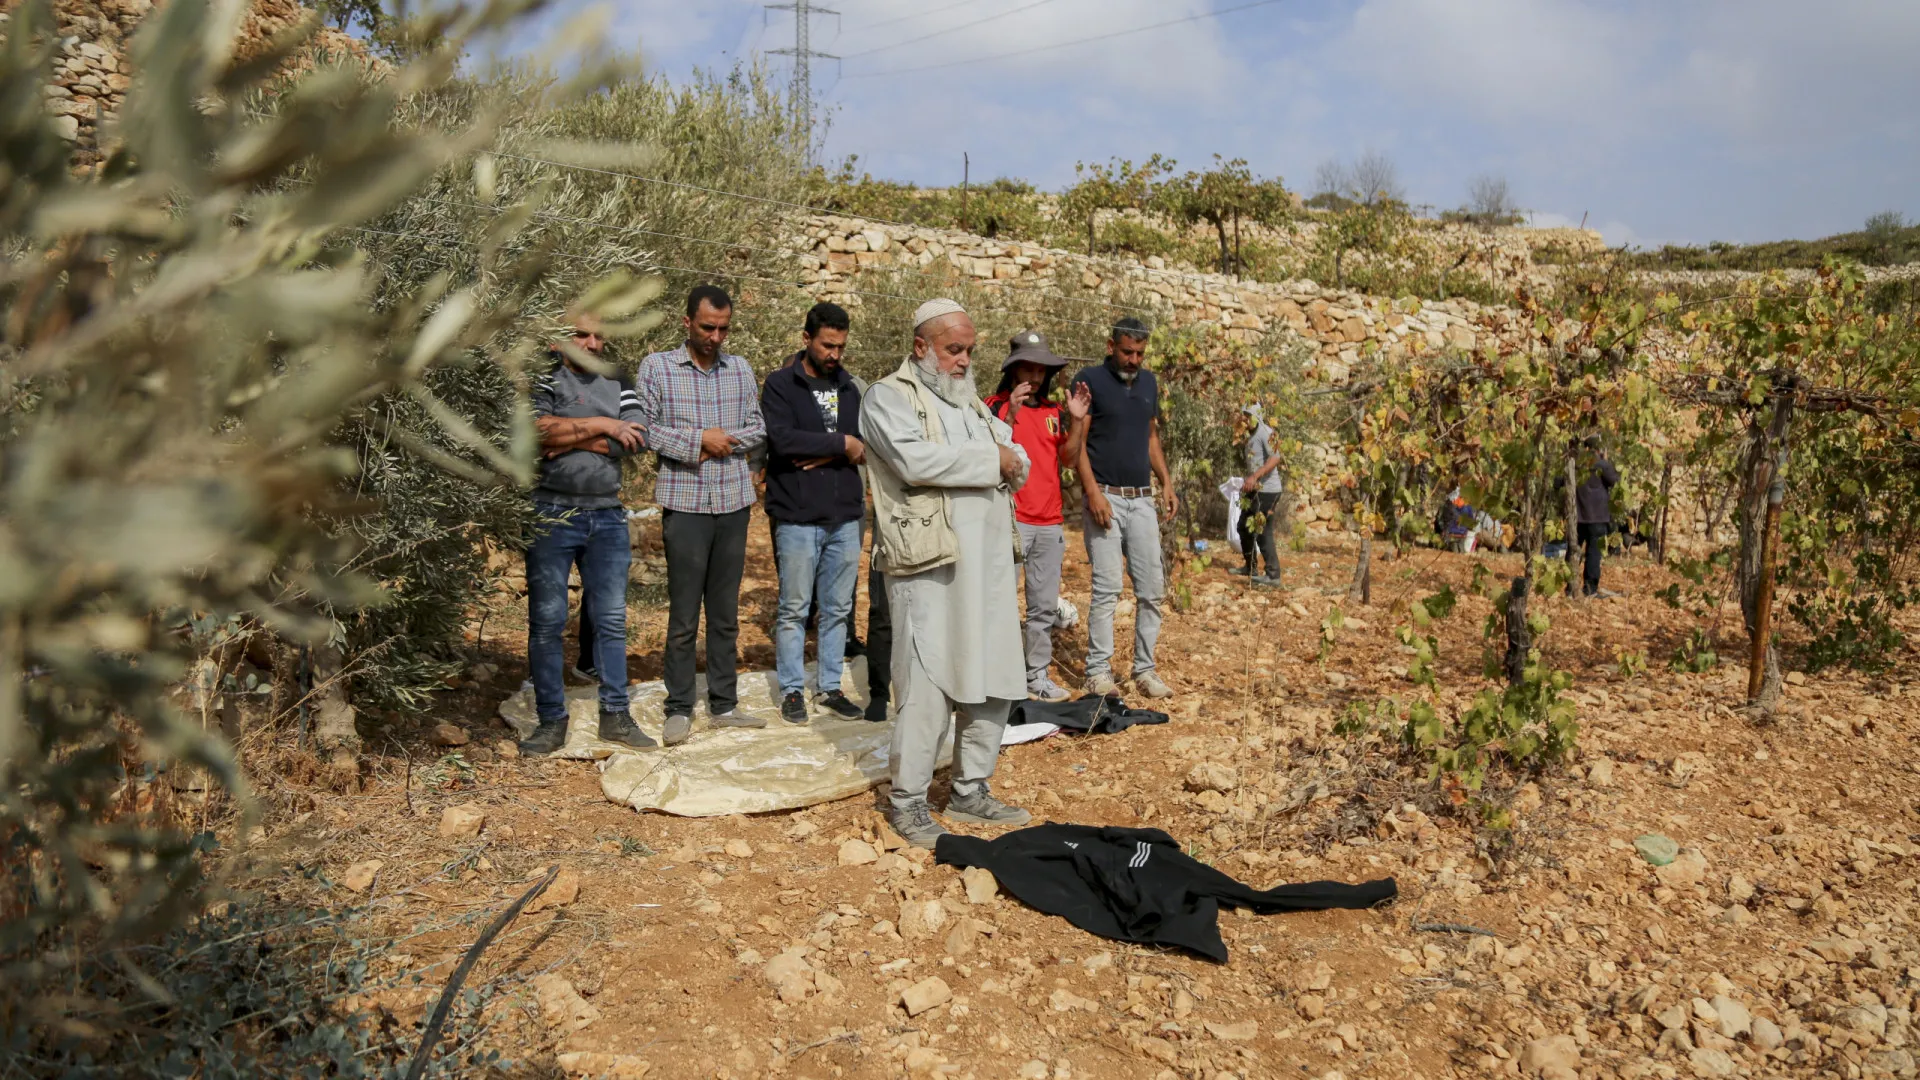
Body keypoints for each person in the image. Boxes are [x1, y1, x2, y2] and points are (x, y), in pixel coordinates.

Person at [863, 298, 1032, 848]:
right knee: (927, 675)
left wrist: (1007, 458)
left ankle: (971, 788)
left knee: (993, 671)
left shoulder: (970, 405)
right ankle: (909, 801)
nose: (963, 361)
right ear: (922, 347)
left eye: (968, 351)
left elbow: (1017, 456)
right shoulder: (887, 397)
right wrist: (995, 462)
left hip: (987, 565)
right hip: (930, 563)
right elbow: (915, 462)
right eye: (953, 349)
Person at [637, 285, 767, 745]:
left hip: (732, 503)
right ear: (687, 321)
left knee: (726, 612)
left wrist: (725, 440)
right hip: (685, 503)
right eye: (708, 327)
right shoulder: (657, 368)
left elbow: (757, 427)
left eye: (724, 328)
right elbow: (647, 429)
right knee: (684, 613)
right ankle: (678, 706)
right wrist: (698, 443)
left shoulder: (741, 369)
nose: (715, 337)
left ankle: (724, 703)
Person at [521, 312, 654, 755]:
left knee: (612, 621)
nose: (594, 344)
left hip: (608, 518)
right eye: (582, 334)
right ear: (559, 340)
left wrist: (569, 435)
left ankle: (615, 716)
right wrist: (601, 425)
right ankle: (550, 720)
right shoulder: (543, 377)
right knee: (547, 622)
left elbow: (636, 437)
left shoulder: (618, 378)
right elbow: (534, 432)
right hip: (550, 513)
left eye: (600, 335)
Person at [762, 302, 868, 724]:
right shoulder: (780, 385)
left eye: (840, 347)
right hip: (797, 516)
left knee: (838, 608)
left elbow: (865, 444)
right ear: (807, 340)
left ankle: (829, 687)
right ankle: (791, 690)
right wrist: (841, 447)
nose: (834, 355)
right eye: (827, 345)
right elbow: (784, 441)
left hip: (845, 515)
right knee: (793, 608)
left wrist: (833, 448)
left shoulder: (849, 388)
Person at [983, 330, 1090, 702]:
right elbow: (986, 453)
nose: (1034, 375)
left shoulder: (1053, 413)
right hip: (1008, 519)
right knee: (997, 601)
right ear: (1013, 369)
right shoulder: (992, 406)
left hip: (1049, 522)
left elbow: (1069, 459)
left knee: (1043, 607)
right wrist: (1010, 414)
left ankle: (1036, 676)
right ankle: (994, 676)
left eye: (1041, 368)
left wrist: (1076, 421)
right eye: (1027, 367)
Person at [1072, 317, 1175, 700]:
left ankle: (1145, 670)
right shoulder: (1089, 381)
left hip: (1142, 498)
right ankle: (1098, 672)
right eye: (1127, 352)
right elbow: (1078, 442)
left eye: (1140, 354)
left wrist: (1165, 480)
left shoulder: (1149, 383)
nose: (1134, 360)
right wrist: (1093, 493)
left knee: (1151, 590)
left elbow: (1151, 434)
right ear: (1111, 345)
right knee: (1107, 588)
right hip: (1105, 496)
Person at [1231, 403, 1284, 585]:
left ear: (1255, 415)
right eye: (1243, 414)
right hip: (1254, 490)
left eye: (1247, 414)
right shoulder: (1250, 434)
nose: (1244, 418)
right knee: (1243, 527)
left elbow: (1276, 457)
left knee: (1263, 532)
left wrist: (1254, 476)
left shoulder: (1266, 432)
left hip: (1268, 490)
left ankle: (1273, 575)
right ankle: (1250, 567)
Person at [1576, 443, 1621, 598]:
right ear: (1599, 449)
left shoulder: (1576, 462)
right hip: (1598, 518)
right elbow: (1615, 481)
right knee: (1594, 554)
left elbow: (1559, 482)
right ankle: (1589, 589)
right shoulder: (1601, 465)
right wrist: (1606, 461)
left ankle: (1570, 588)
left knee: (1573, 551)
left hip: (1578, 516)